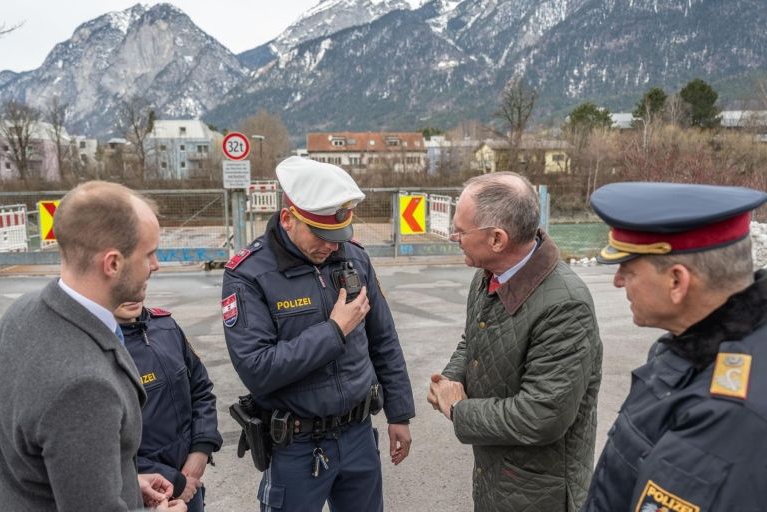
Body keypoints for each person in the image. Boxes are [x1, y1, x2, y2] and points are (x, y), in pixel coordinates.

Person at [222, 156, 415, 512]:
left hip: (358, 436)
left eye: (339, 236)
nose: (332, 246)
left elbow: (384, 340)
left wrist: (399, 414)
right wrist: (334, 330)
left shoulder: (354, 259)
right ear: (288, 219)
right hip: (297, 445)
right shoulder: (249, 274)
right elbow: (257, 368)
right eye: (321, 235)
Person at [0, 181, 185, 511]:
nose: (156, 265)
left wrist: (124, 482)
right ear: (112, 263)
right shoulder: (84, 386)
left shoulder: (22, 312)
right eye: (149, 254)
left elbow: (36, 462)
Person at [582, 181, 767, 511]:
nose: (618, 280)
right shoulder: (695, 343)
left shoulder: (727, 416)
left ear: (677, 281)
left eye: (628, 268)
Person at [427, 172, 603, 512]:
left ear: (497, 239)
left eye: (461, 231)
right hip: (497, 479)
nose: (453, 237)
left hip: (540, 495)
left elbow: (541, 415)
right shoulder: (489, 274)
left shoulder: (566, 306)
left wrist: (458, 409)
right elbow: (474, 337)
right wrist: (449, 379)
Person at [115, 301, 223, 511]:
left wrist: (200, 451)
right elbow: (101, 447)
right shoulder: (99, 348)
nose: (133, 293)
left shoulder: (166, 327)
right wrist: (174, 479)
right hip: (145, 495)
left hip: (190, 483)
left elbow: (201, 390)